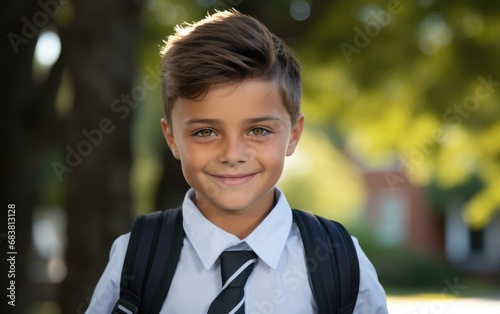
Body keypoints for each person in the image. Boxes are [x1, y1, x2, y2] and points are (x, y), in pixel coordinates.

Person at [86, 9, 388, 313]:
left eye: (258, 130)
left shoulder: (340, 259)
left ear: (294, 135)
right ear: (172, 138)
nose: (232, 155)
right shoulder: (135, 257)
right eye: (205, 132)